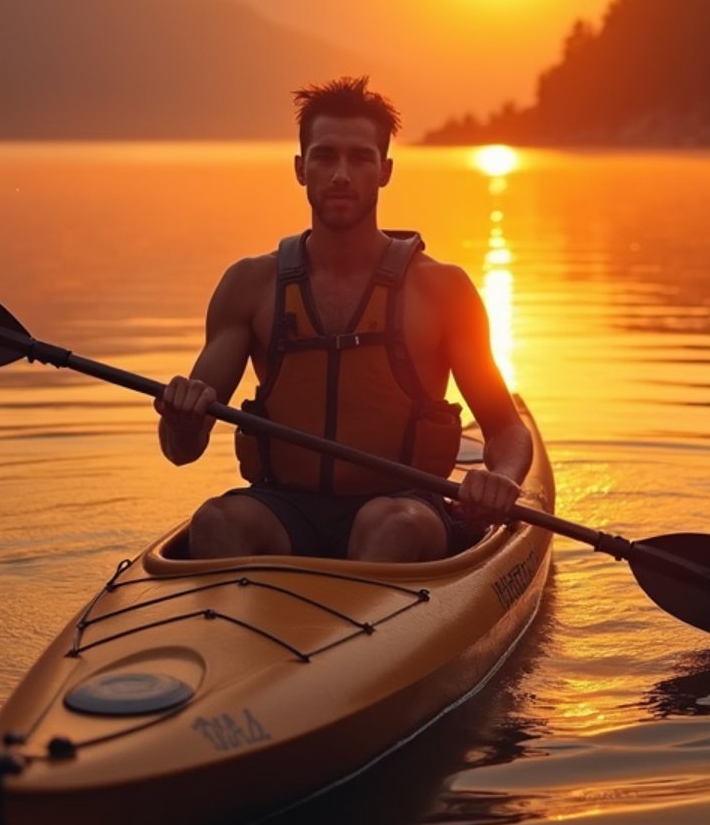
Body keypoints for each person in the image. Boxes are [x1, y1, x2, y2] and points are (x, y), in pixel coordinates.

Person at [156, 75, 532, 561]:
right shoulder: (248, 286)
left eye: (359, 158)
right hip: (284, 506)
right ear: (300, 167)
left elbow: (505, 428)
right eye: (325, 156)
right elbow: (181, 450)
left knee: (387, 527)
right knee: (217, 522)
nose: (340, 174)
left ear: (385, 171)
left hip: (404, 507)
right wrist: (182, 419)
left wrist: (500, 479)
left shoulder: (442, 289)